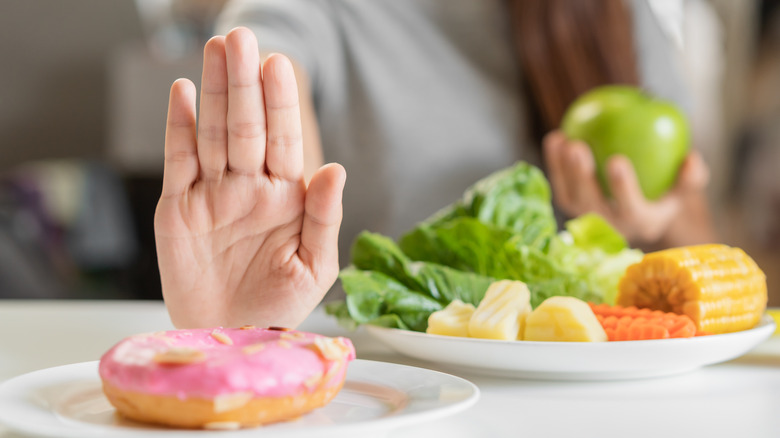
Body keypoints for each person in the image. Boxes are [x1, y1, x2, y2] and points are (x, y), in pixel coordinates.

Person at [156, 1, 717, 328]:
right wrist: (247, 315)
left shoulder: (616, 15)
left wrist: (658, 222)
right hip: (400, 393)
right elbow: (264, 53)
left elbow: (698, 236)